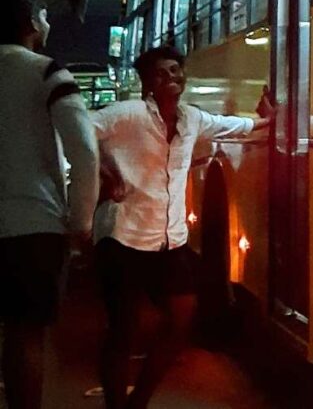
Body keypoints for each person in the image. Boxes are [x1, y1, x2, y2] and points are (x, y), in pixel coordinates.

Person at [92, 45, 270, 409]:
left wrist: (267, 120)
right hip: (123, 239)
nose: (173, 78)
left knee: (182, 318)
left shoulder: (192, 119)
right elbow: (78, 131)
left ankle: (138, 400)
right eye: (163, 73)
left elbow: (235, 126)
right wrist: (105, 168)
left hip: (168, 244)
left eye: (177, 71)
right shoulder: (128, 115)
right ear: (147, 83)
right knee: (122, 333)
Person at [0, 0, 100, 409]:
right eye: (42, 15)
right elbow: (85, 152)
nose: (46, 23)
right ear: (28, 23)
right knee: (25, 337)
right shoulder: (47, 72)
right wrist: (80, 222)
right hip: (33, 230)